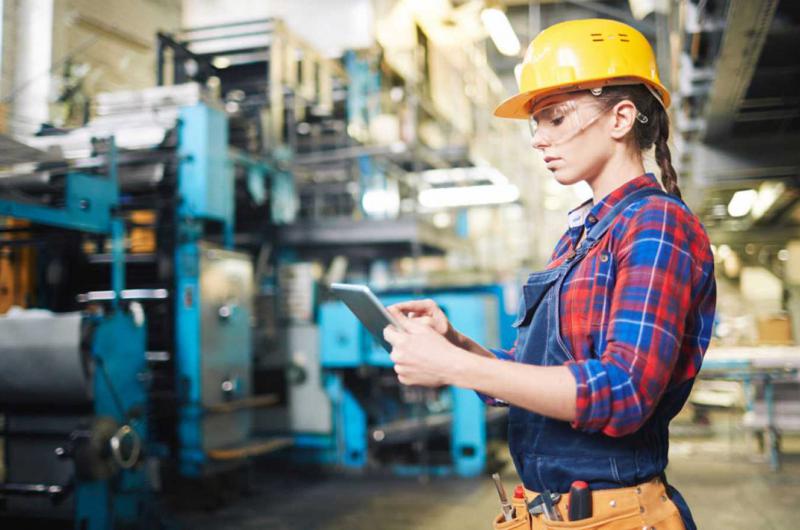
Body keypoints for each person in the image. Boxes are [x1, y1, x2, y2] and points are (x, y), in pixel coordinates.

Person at [383, 18, 716, 530]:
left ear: (621, 117)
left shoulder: (656, 224)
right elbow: (532, 375)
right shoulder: (581, 236)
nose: (538, 140)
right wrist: (457, 344)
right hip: (550, 514)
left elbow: (624, 393)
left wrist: (455, 368)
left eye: (555, 118)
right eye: (536, 123)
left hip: (616, 517)